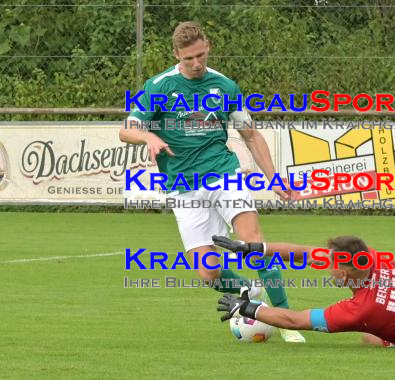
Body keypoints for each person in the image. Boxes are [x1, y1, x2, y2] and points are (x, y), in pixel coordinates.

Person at [119, 21, 305, 343]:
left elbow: (250, 134)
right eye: (189, 58)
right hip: (183, 186)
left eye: (201, 55)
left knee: (253, 243)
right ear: (177, 54)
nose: (197, 63)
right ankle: (248, 291)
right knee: (208, 272)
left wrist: (273, 178)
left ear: (209, 47)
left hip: (223, 174)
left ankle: (287, 323)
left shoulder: (224, 86)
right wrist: (148, 135)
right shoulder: (160, 87)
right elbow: (126, 129)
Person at [213, 235, 395, 348]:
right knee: (381, 323)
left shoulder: (360, 310)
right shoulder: (371, 258)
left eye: (330, 265)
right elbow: (303, 254)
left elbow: (295, 320)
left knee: (369, 337)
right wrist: (252, 247)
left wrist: (246, 308)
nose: (325, 265)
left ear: (343, 274)